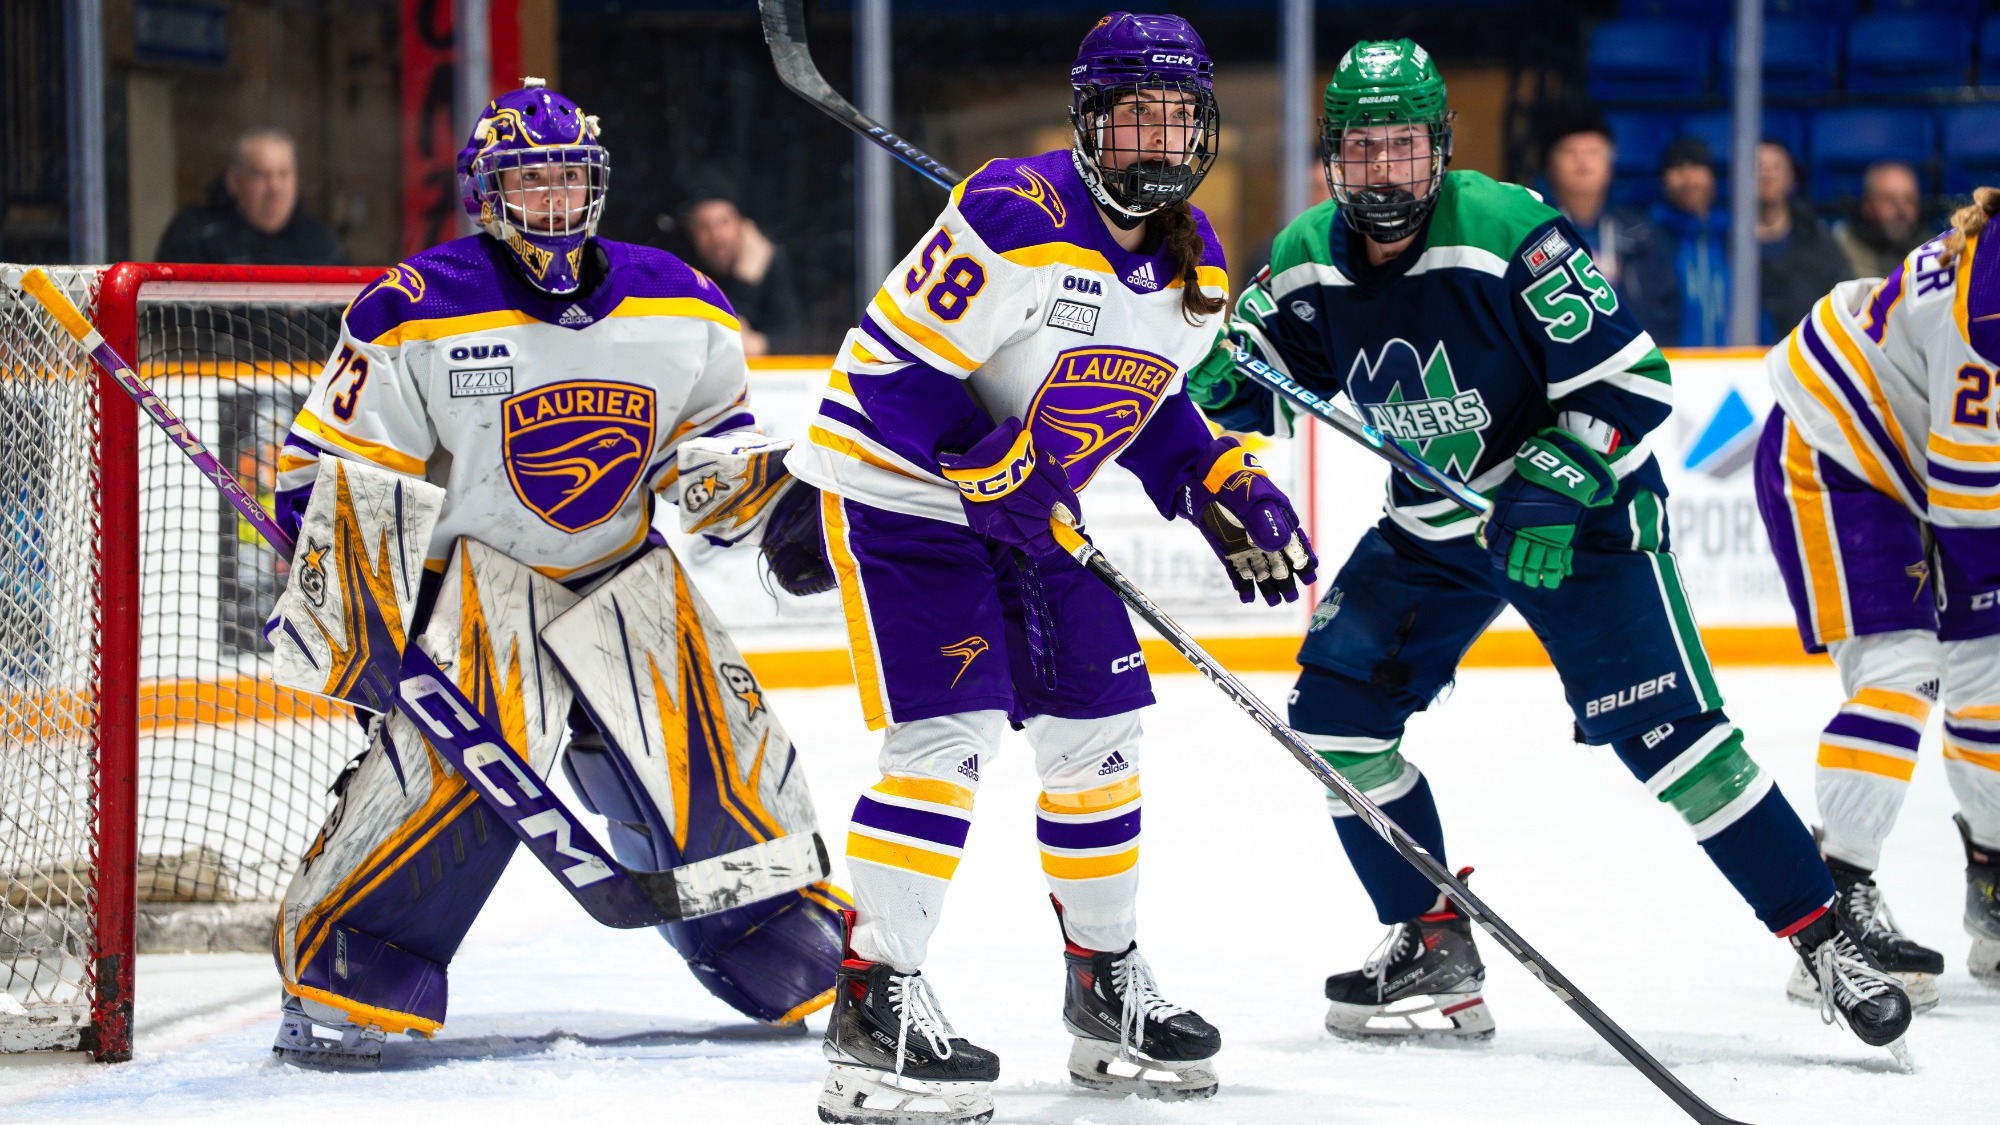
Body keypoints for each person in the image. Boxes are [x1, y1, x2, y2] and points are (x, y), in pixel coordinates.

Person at [1187, 38, 1911, 1055]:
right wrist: (1223, 380)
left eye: (1402, 145)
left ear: (1439, 146)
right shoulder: (1307, 253)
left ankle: (1825, 941)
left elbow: (1632, 380)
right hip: (1435, 525)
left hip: (1584, 514)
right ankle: (1430, 940)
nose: (1383, 169)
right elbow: (1267, 376)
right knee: (1334, 725)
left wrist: (1558, 478)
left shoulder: (1506, 229)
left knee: (1675, 742)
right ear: (1333, 155)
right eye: (1361, 147)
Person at [786, 12, 1315, 1122]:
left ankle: (1103, 989)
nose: (1154, 141)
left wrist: (1215, 478)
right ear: (1087, 119)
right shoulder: (1011, 212)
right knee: (949, 738)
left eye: (1174, 118)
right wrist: (990, 463)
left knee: (1099, 738)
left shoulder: (1195, 264)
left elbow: (1149, 400)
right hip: (903, 496)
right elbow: (891, 372)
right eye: (1132, 116)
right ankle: (873, 1013)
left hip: (1032, 513)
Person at [263, 79, 846, 1065]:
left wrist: (774, 505)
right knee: (446, 795)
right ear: (487, 193)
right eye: (529, 182)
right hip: (474, 590)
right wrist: (361, 610)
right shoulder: (416, 305)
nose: (552, 200)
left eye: (567, 178)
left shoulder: (678, 297)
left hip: (621, 573)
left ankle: (763, 928)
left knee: (723, 758)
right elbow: (337, 466)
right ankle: (350, 958)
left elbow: (704, 446)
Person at [1753, 188, 2000, 1013]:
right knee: (1903, 671)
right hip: (1833, 452)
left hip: (1915, 462)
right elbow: (1972, 507)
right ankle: (1832, 911)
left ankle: (1994, 891)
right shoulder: (1991, 309)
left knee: (1990, 680)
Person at [156, 128, 347, 265]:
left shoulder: (320, 242)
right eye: (261, 175)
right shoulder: (197, 235)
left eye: (284, 174)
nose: (274, 187)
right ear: (234, 181)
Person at [1622, 136, 1735, 347]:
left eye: (1697, 166)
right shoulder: (1644, 241)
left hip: (1739, 361)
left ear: (1713, 177)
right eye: (1678, 167)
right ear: (1663, 179)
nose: (1688, 177)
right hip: (1670, 360)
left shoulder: (1735, 237)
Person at [683, 197, 805, 356]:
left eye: (723, 222)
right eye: (704, 227)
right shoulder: (687, 272)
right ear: (692, 235)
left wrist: (762, 345)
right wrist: (745, 280)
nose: (716, 235)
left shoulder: (772, 261)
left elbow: (795, 334)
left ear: (743, 227)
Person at [1756, 140, 1851, 336]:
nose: (1766, 173)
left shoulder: (1818, 239)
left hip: (1804, 349)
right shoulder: (1720, 240)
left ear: (1792, 179)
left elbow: (1844, 299)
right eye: (1757, 166)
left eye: (1775, 167)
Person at [1540, 109, 1636, 287]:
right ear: (1550, 165)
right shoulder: (1533, 230)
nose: (1582, 161)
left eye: (1593, 152)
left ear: (1610, 165)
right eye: (1570, 151)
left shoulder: (1640, 234)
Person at [1834, 161, 1927, 281]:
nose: (1901, 211)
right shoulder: (1841, 252)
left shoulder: (1934, 250)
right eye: (1889, 200)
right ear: (1867, 205)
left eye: (1909, 200)